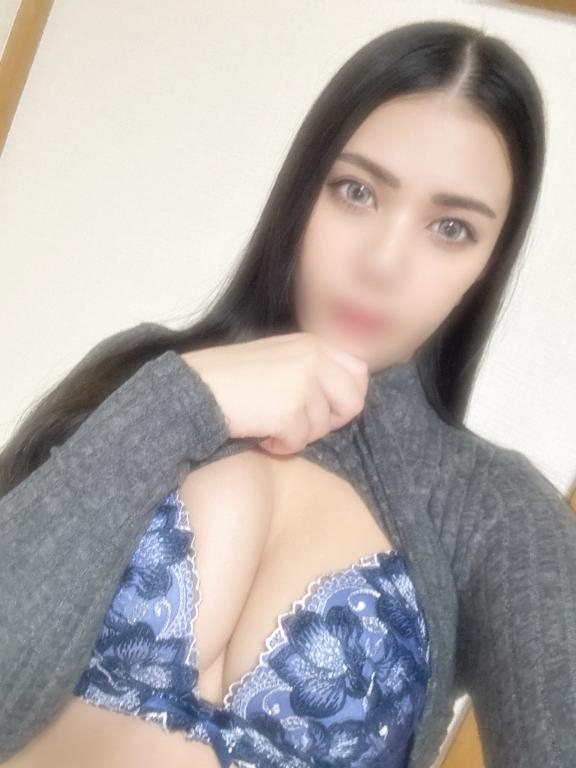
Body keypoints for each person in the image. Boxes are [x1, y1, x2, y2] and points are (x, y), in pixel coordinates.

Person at [1, 18, 575, 768]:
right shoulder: (151, 379)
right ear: (303, 190)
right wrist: (184, 401)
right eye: (356, 192)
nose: (383, 262)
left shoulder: (493, 513)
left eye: (450, 228)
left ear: (487, 265)